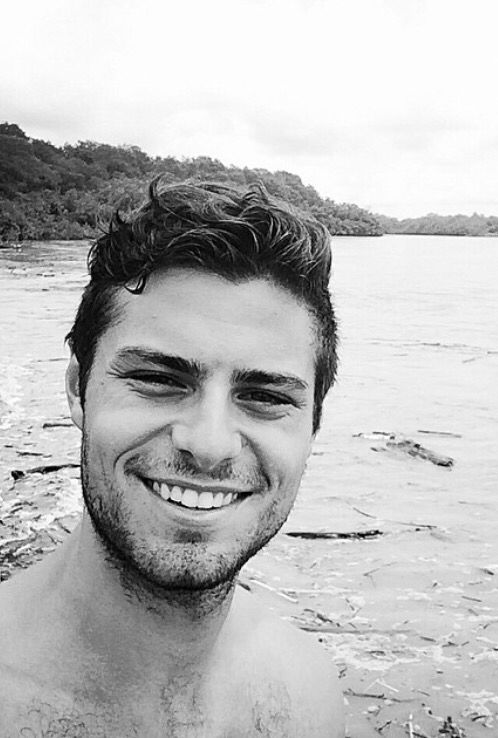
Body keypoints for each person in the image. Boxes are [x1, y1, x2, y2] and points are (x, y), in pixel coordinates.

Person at [0, 180, 345, 736]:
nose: (209, 445)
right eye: (159, 380)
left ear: (314, 425)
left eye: (265, 396)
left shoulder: (307, 689)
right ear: (77, 390)